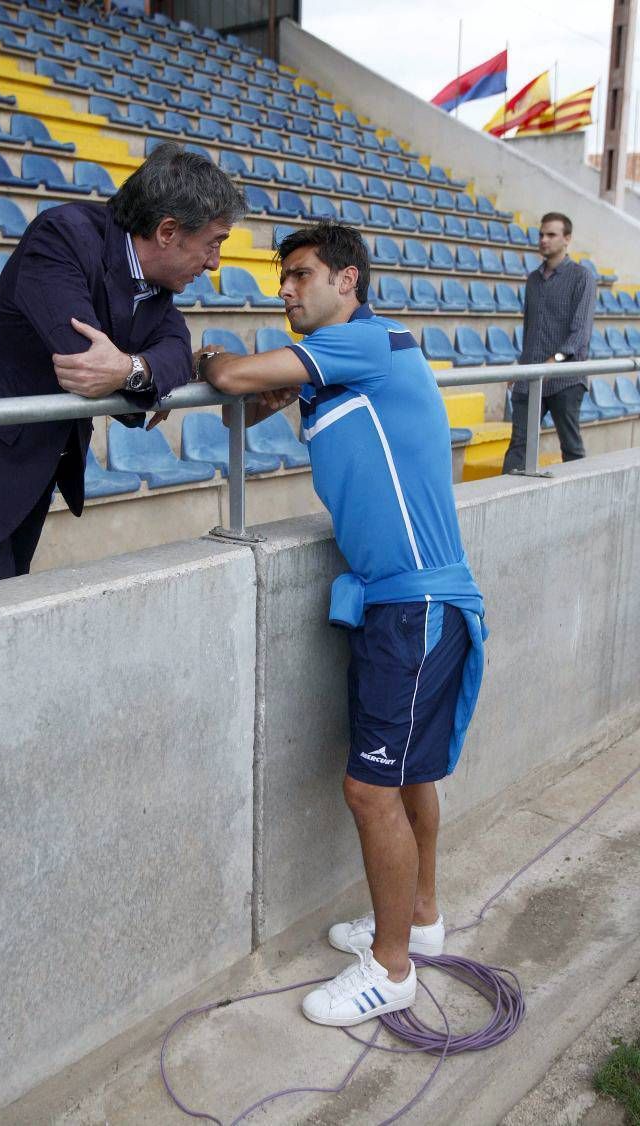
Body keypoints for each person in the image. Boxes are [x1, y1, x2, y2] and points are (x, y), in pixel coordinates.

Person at [201, 222, 487, 1027]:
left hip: (416, 605)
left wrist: (201, 365)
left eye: (299, 276)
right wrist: (268, 389)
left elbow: (229, 377)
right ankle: (420, 919)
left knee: (369, 789)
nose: (284, 290)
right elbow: (255, 407)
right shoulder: (341, 369)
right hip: (401, 601)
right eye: (282, 278)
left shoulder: (369, 343)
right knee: (408, 774)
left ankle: (391, 968)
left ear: (348, 281)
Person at [0, 143, 245, 589]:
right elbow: (83, 365)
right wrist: (146, 368)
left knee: (11, 603)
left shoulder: (157, 284)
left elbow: (177, 349)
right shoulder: (62, 236)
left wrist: (129, 369)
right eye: (213, 244)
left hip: (33, 463)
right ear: (167, 231)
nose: (215, 262)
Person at [502, 212, 596, 474]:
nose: (544, 240)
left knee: (571, 447)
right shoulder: (533, 280)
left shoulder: (582, 277)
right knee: (518, 446)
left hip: (565, 377)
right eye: (541, 234)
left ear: (567, 239)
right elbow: (530, 329)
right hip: (532, 374)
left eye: (551, 235)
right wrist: (521, 367)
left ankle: (580, 500)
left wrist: (552, 362)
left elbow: (580, 334)